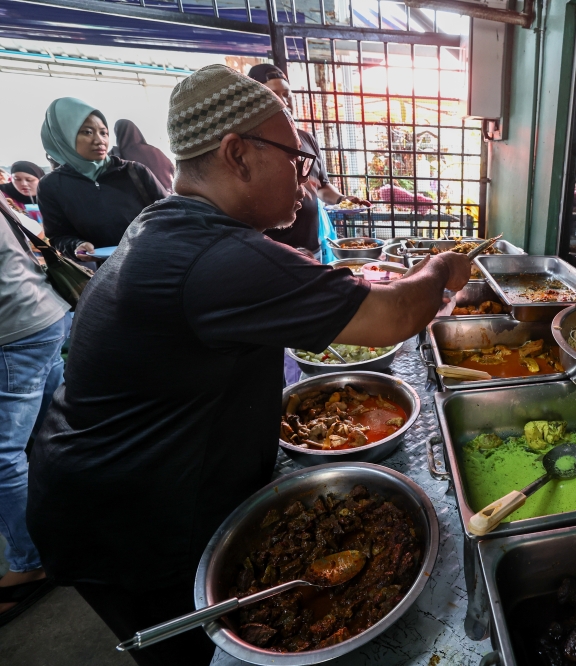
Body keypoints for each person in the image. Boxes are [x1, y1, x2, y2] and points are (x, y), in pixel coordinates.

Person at [26, 65, 470, 666]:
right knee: (191, 650)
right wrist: (445, 266)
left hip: (109, 492)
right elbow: (394, 315)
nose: (304, 177)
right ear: (237, 154)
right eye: (295, 158)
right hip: (127, 517)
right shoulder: (214, 254)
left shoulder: (172, 224)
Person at [0, 194, 70, 627]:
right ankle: (71, 524)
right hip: (42, 315)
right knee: (55, 430)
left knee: (4, 457)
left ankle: (31, 561)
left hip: (15, 330)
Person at [246, 64, 369, 256]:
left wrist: (342, 200)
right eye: (273, 95)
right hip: (273, 254)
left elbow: (321, 186)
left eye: (287, 94)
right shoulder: (251, 145)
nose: (284, 102)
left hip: (312, 248)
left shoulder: (306, 139)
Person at [36, 98, 168, 261]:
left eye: (103, 132)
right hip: (104, 272)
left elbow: (170, 212)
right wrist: (77, 247)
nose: (100, 141)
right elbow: (59, 236)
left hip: (155, 259)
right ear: (63, 137)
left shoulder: (134, 171)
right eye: (87, 132)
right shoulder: (51, 186)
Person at [111, 119, 175, 193]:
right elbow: (169, 167)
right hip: (166, 194)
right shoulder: (153, 150)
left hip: (141, 200)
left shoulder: (117, 155)